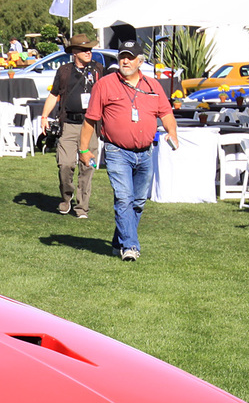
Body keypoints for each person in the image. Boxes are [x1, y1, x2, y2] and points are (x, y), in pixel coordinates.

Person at [77, 40, 179, 261]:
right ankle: (130, 247)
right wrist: (83, 150)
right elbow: (91, 120)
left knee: (138, 201)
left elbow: (167, 114)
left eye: (130, 57)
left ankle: (119, 241)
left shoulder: (153, 86)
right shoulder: (105, 84)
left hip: (145, 152)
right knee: (124, 198)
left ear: (140, 61)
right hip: (117, 151)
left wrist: (172, 132)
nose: (125, 61)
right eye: (122, 56)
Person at [38, 33, 103, 219]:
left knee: (87, 166)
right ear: (74, 52)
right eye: (84, 49)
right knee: (65, 164)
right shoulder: (64, 71)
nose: (88, 52)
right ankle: (66, 197)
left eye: (90, 49)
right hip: (68, 124)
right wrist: (44, 116)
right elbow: (54, 94)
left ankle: (82, 207)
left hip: (90, 125)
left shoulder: (98, 69)